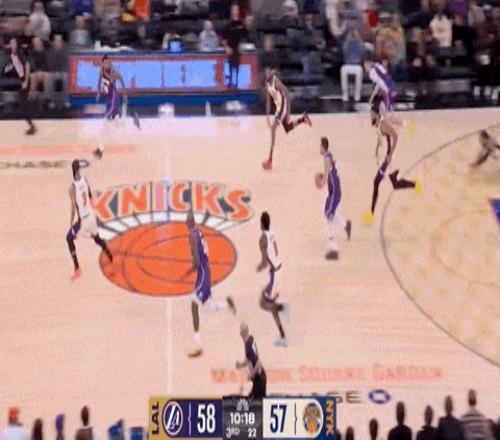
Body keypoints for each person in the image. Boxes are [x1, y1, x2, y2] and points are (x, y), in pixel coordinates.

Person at [186, 212, 236, 357]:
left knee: (194, 304)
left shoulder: (192, 236)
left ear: (187, 223)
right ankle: (227, 305)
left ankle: (198, 344)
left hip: (202, 273)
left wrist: (187, 271)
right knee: (207, 308)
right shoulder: (199, 232)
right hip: (205, 271)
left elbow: (196, 261)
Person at [362, 103, 421, 224]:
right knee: (395, 184)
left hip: (387, 159)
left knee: (376, 182)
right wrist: (376, 149)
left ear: (376, 115)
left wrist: (390, 155)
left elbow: (395, 135)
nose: (370, 116)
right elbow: (380, 138)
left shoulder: (384, 124)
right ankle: (415, 185)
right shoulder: (377, 124)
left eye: (371, 114)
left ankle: (371, 214)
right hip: (384, 158)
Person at [67, 160, 113, 281]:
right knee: (96, 238)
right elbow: (91, 196)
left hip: (83, 221)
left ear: (72, 170)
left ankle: (77, 268)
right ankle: (109, 253)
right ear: (79, 169)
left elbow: (73, 207)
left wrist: (71, 223)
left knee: (69, 238)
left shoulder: (72, 187)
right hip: (91, 216)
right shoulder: (85, 180)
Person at [263, 68, 312, 170]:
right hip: (279, 107)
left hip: (283, 106)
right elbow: (268, 101)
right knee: (287, 128)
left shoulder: (276, 81)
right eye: (266, 72)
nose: (267, 73)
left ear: (271, 72)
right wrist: (267, 116)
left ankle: (270, 160)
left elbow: (287, 93)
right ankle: (303, 119)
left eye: (268, 72)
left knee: (273, 129)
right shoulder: (267, 84)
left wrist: (288, 112)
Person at [93, 55, 139, 159]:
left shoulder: (113, 73)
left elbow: (121, 79)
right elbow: (99, 81)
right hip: (109, 101)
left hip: (114, 100)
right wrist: (98, 92)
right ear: (102, 63)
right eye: (105, 63)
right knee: (116, 125)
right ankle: (132, 119)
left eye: (108, 63)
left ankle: (100, 151)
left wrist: (124, 93)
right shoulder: (101, 71)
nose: (107, 64)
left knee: (104, 124)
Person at [256, 211, 289, 347]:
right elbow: (275, 251)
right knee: (267, 300)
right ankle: (281, 308)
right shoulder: (272, 233)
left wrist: (259, 267)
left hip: (274, 274)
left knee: (264, 304)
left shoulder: (262, 239)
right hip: (278, 268)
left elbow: (264, 262)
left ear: (261, 224)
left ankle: (283, 335)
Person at [317, 137, 351, 259]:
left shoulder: (327, 159)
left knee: (328, 218)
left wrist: (320, 183)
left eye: (320, 146)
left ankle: (333, 249)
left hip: (335, 193)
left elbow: (326, 177)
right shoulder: (329, 155)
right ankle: (345, 225)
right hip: (333, 192)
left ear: (323, 147)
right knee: (328, 214)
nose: (319, 148)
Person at [363, 57, 414, 135]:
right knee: (386, 113)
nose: (364, 67)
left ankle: (406, 125)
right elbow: (383, 78)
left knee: (389, 115)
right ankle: (396, 126)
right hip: (391, 87)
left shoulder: (372, 72)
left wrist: (373, 96)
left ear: (369, 63)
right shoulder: (377, 65)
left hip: (389, 91)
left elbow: (379, 85)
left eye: (365, 65)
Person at [2, 37, 36, 135]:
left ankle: (31, 125)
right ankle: (30, 125)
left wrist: (26, 81)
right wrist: (8, 69)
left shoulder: (21, 54)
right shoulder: (8, 57)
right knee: (22, 105)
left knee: (24, 104)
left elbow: (27, 66)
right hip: (17, 81)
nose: (13, 45)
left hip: (24, 80)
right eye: (11, 43)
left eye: (14, 43)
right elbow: (6, 70)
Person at [235, 322, 267, 398]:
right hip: (258, 379)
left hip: (259, 379)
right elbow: (249, 359)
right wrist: (240, 365)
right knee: (253, 399)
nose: (239, 333)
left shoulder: (249, 345)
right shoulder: (250, 340)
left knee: (255, 401)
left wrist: (252, 374)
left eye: (240, 330)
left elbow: (259, 363)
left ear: (242, 332)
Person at [221, 3, 247, 88]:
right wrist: (227, 47)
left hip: (238, 51)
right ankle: (230, 82)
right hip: (230, 51)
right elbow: (223, 39)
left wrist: (242, 44)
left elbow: (245, 37)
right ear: (231, 11)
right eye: (233, 10)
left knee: (238, 66)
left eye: (236, 10)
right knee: (230, 66)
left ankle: (238, 82)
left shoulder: (242, 24)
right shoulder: (227, 25)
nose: (235, 11)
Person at [341, 25, 364, 102]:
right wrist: (348, 39)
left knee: (359, 70)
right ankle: (345, 94)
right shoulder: (346, 42)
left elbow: (362, 51)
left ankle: (357, 94)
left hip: (357, 65)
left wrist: (358, 38)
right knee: (343, 70)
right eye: (351, 31)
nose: (352, 33)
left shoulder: (359, 41)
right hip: (347, 65)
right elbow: (344, 50)